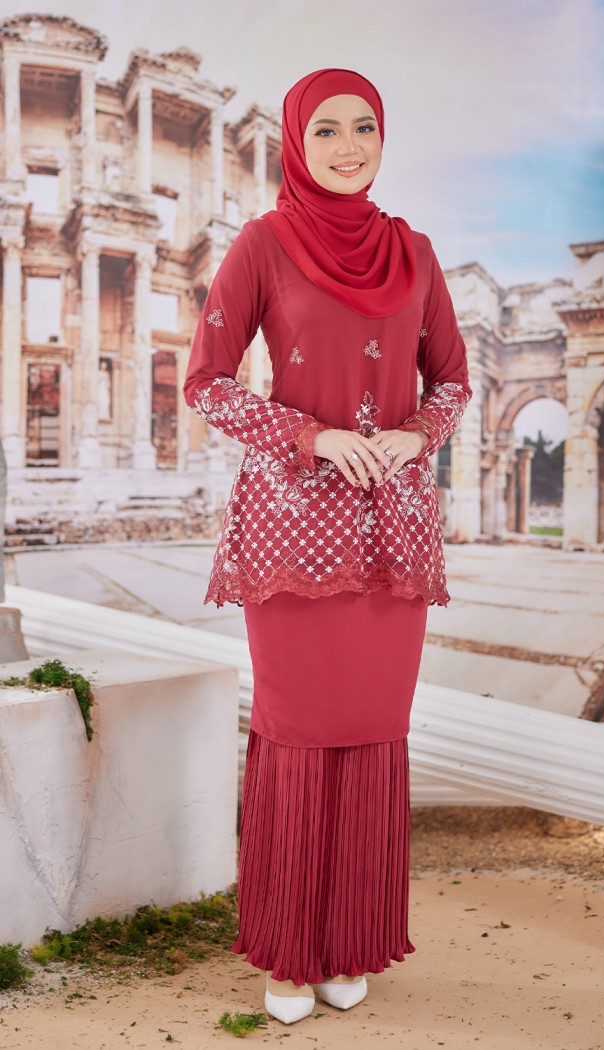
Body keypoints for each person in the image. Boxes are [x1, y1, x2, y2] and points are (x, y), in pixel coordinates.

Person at [183, 68, 471, 1026]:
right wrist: (310, 437)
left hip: (393, 534)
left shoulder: (415, 254)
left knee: (373, 735)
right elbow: (207, 381)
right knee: (299, 735)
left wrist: (414, 437)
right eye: (328, 131)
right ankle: (288, 953)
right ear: (296, 145)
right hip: (292, 538)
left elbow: (452, 382)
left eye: (365, 128)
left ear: (383, 137)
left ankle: (350, 942)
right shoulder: (263, 245)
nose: (350, 147)